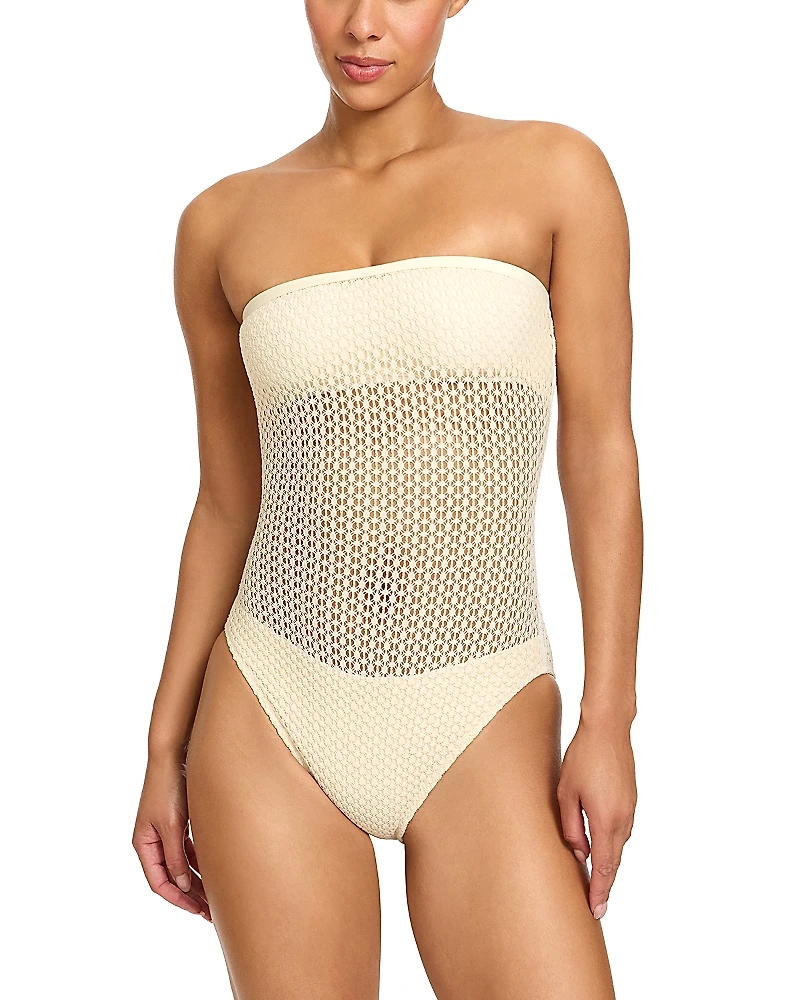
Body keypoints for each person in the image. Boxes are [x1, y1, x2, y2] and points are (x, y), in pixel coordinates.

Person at [132, 1, 642, 996]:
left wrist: (609, 718)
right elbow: (228, 501)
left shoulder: (555, 172)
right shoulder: (222, 222)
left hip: (483, 705)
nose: (363, 23)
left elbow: (600, 451)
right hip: (270, 703)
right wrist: (162, 745)